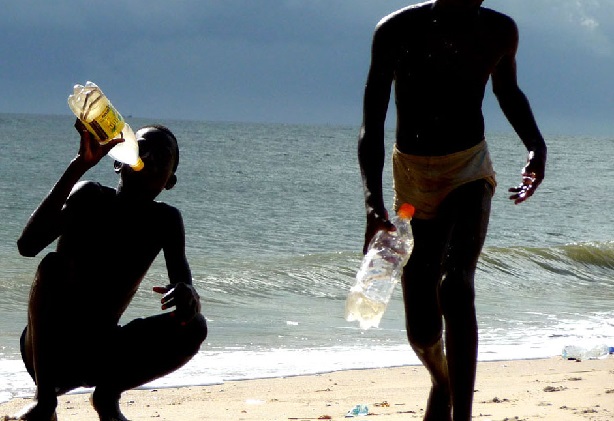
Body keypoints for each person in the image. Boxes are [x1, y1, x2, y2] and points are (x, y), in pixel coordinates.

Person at [357, 0, 547, 420]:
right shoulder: (396, 30)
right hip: (410, 177)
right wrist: (372, 203)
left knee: (457, 283)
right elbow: (373, 122)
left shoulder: (499, 31)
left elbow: (507, 91)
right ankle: (442, 383)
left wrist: (536, 147)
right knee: (422, 331)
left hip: (468, 168)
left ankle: (463, 414)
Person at [13, 121, 208, 421]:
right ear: (119, 161)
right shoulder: (89, 196)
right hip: (49, 352)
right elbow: (28, 245)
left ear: (170, 181)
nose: (152, 158)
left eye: (163, 156)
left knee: (194, 326)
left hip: (102, 353)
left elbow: (183, 284)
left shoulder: (165, 221)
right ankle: (45, 400)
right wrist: (79, 166)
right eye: (143, 149)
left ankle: (107, 396)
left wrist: (187, 295)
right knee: (51, 265)